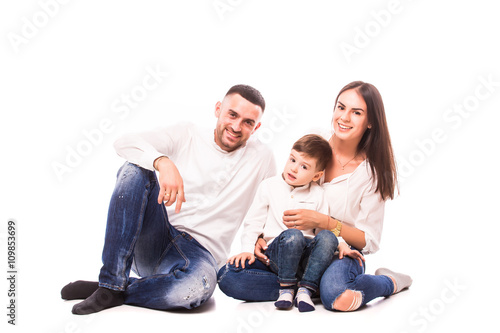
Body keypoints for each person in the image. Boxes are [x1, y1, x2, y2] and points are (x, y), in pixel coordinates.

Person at [61, 84, 276, 314]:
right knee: (134, 168)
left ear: (256, 127)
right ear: (218, 109)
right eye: (232, 114)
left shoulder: (262, 157)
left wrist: (262, 237)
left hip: (200, 257)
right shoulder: (187, 134)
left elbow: (273, 203)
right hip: (156, 236)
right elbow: (123, 142)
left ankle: (111, 290)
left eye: (247, 122)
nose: (236, 126)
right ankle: (112, 279)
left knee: (194, 290)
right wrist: (161, 162)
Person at [217, 81, 412, 312]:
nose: (344, 117)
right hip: (291, 251)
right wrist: (260, 237)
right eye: (341, 107)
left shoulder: (371, 173)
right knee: (229, 276)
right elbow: (282, 190)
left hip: (338, 251)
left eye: (356, 112)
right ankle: (307, 288)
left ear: (370, 122)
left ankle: (387, 282)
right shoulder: (316, 140)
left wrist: (325, 223)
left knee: (339, 299)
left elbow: (368, 240)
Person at [228, 134, 363, 312]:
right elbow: (253, 222)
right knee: (228, 274)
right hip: (277, 252)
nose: (294, 169)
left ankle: (305, 289)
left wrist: (342, 244)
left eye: (304, 166)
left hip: (307, 258)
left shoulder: (318, 193)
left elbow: (324, 229)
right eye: (292, 160)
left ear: (317, 175)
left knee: (327, 237)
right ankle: (290, 288)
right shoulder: (269, 186)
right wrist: (246, 249)